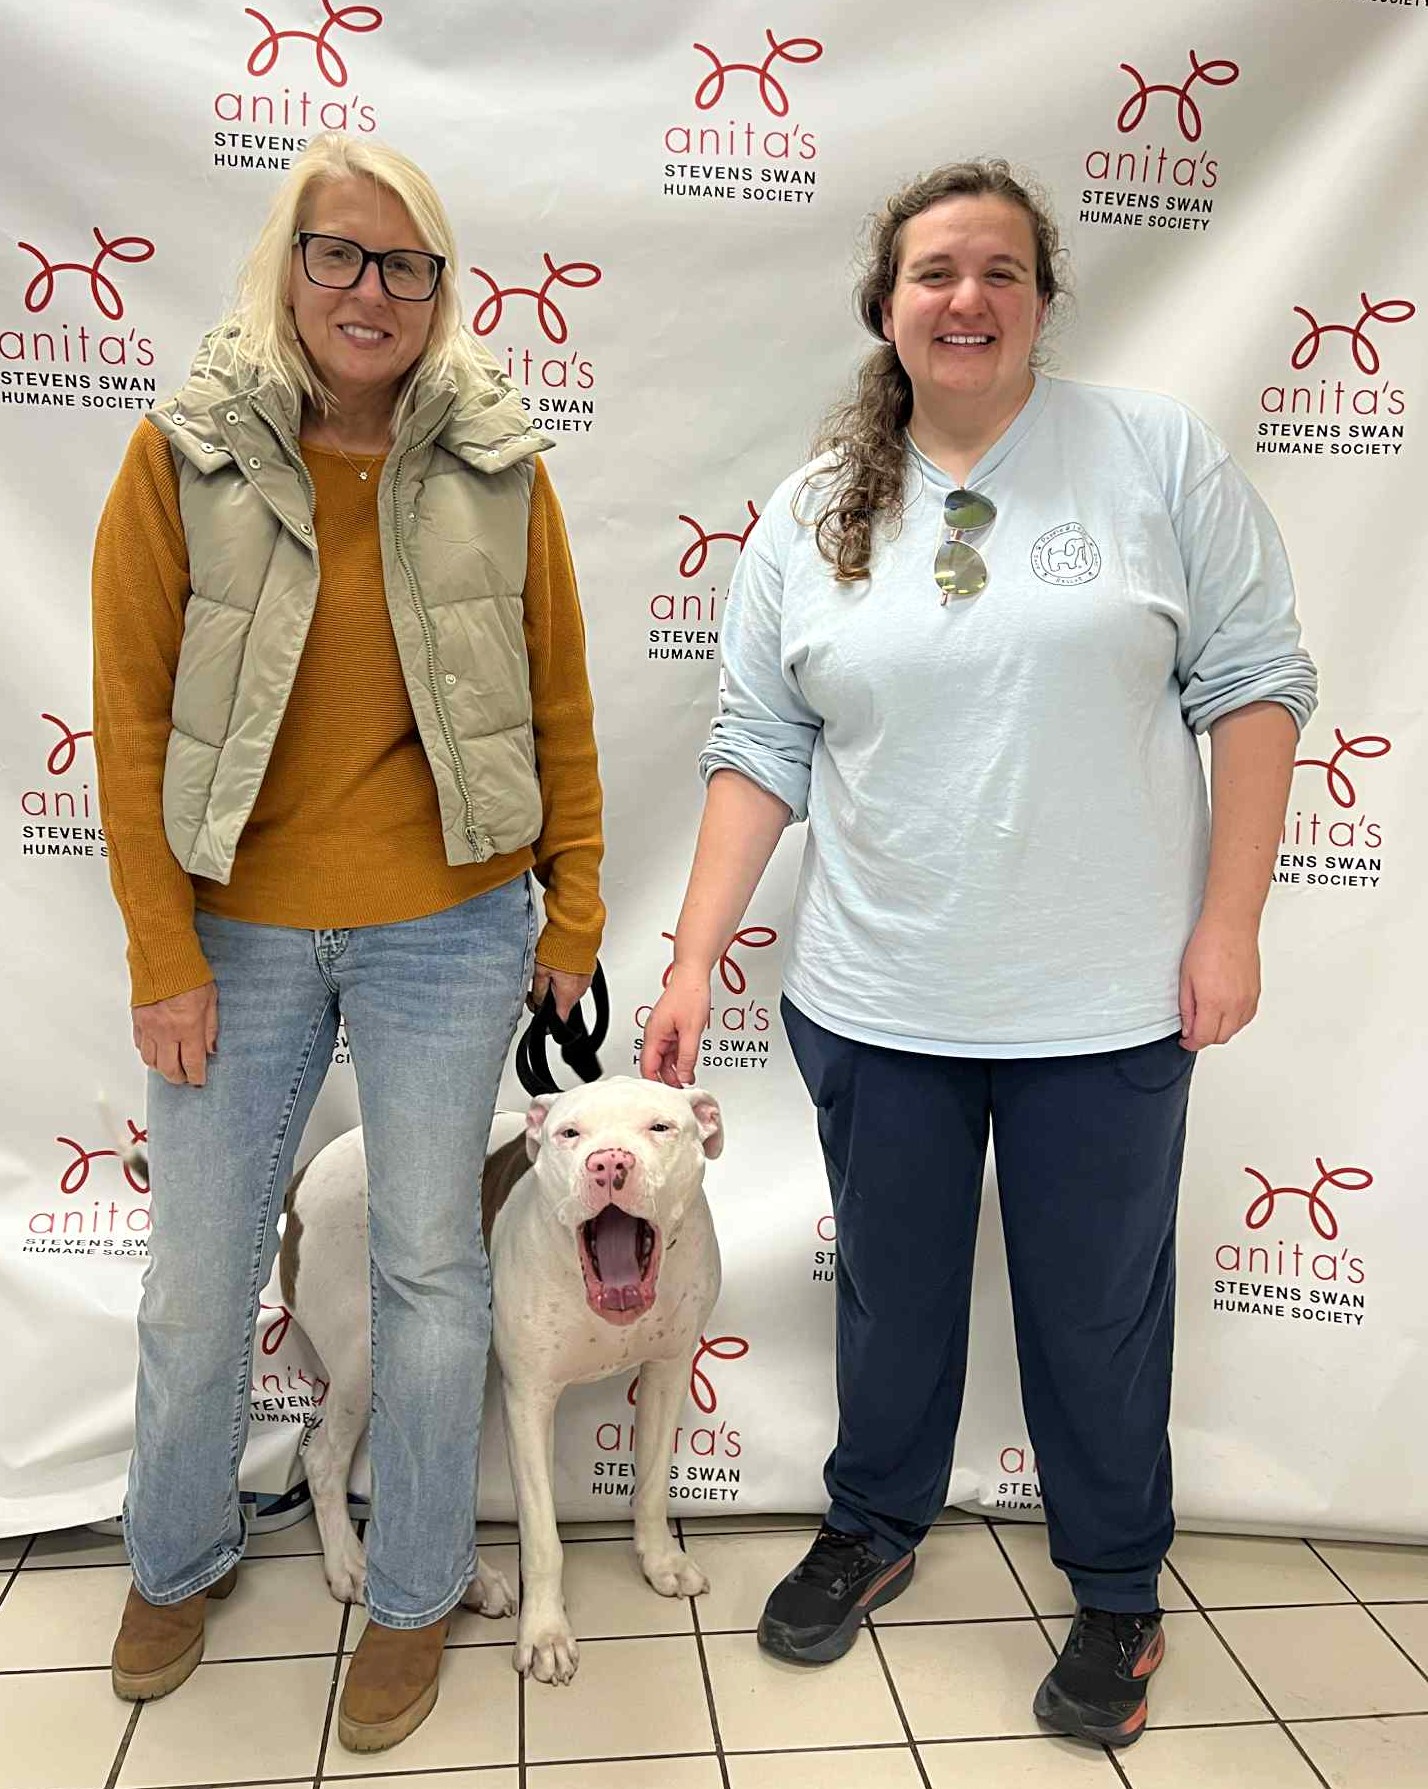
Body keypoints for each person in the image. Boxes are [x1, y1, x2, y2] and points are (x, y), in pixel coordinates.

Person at [641, 159, 1315, 1749]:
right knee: (893, 1292)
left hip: (1104, 1000)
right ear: (886, 306)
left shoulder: (1150, 458)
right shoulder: (815, 514)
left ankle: (1117, 1585)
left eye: (1001, 271)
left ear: (1042, 300)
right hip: (878, 1000)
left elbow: (1260, 688)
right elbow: (757, 749)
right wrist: (688, 963)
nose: (967, 297)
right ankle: (873, 1520)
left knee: (1095, 1308)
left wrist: (1231, 922)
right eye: (936, 271)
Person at [92, 133, 604, 1752]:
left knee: (433, 1274)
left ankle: (419, 1589)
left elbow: (562, 698)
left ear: (442, 289)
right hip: (232, 933)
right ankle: (173, 1555)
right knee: (195, 1281)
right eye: (338, 254)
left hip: (448, 930)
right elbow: (126, 720)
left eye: (405, 264)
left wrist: (573, 906)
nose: (368, 290)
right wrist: (159, 949)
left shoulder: (501, 467)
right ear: (287, 260)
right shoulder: (179, 457)